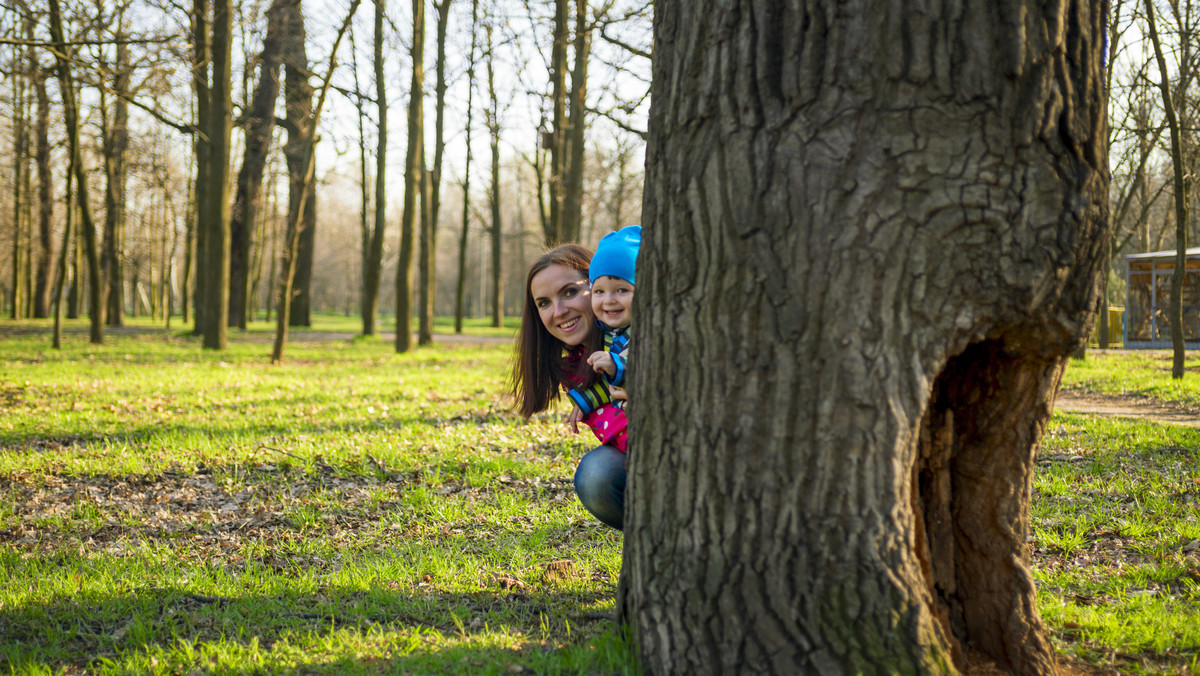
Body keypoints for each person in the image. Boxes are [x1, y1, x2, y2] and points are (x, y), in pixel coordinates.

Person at [511, 244, 627, 530]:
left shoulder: (632, 335)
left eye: (570, 292)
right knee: (596, 476)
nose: (559, 311)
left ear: (599, 286)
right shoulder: (571, 363)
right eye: (544, 303)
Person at [571, 225, 640, 413]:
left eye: (622, 290)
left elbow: (646, 372)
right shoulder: (609, 331)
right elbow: (610, 384)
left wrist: (616, 365)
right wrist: (585, 401)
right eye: (599, 291)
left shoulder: (645, 332)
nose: (609, 300)